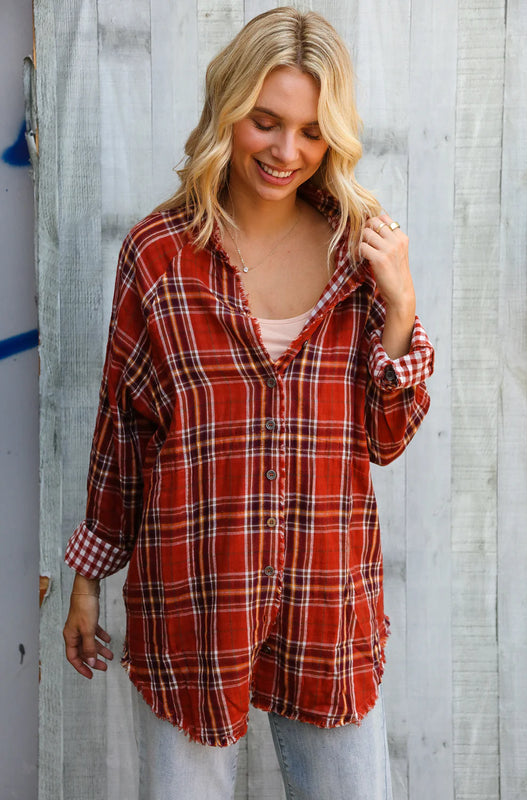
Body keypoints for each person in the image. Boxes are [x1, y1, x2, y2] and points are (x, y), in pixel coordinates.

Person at [63, 7, 434, 799]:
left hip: (327, 606)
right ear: (228, 110)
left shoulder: (360, 255)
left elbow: (384, 437)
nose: (286, 151)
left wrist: (399, 310)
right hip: (192, 599)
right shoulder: (157, 257)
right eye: (266, 122)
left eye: (309, 131)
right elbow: (123, 430)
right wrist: (90, 577)